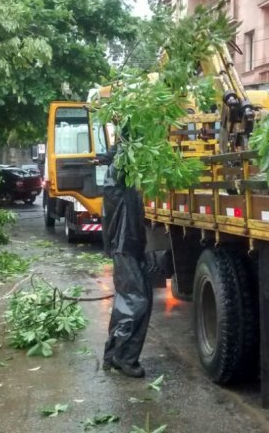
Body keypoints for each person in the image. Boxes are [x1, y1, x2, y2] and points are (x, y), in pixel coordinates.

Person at [99, 139, 152, 378]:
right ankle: (124, 358)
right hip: (126, 244)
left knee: (128, 300)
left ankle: (113, 355)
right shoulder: (119, 172)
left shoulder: (115, 173)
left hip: (126, 245)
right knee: (136, 301)